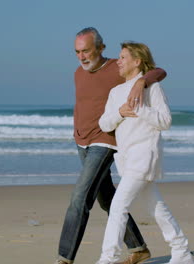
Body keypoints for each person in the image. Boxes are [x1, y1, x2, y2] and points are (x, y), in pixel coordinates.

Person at [54, 27, 167, 264]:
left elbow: (159, 71)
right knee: (106, 198)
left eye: (86, 51)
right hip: (81, 141)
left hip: (104, 141)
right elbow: (85, 105)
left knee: (80, 197)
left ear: (101, 48)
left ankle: (64, 258)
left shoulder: (118, 67)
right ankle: (139, 248)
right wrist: (77, 132)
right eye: (77, 52)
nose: (81, 57)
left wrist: (141, 83)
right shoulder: (77, 73)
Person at [96, 42, 194, 264]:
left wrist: (140, 108)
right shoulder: (115, 92)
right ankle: (182, 253)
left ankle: (108, 258)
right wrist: (121, 112)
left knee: (118, 206)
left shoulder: (152, 88)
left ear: (137, 61)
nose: (118, 62)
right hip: (125, 159)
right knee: (156, 207)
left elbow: (165, 121)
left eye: (123, 57)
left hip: (145, 156)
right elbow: (104, 124)